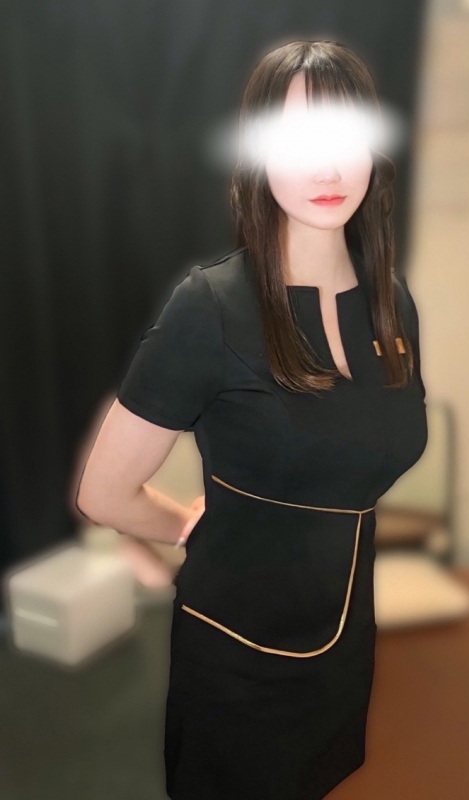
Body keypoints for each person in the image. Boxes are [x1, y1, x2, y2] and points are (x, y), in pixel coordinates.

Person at [76, 40, 428, 800]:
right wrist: (184, 525)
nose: (327, 167)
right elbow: (103, 492)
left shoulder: (391, 302)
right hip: (237, 654)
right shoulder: (210, 308)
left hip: (344, 639)